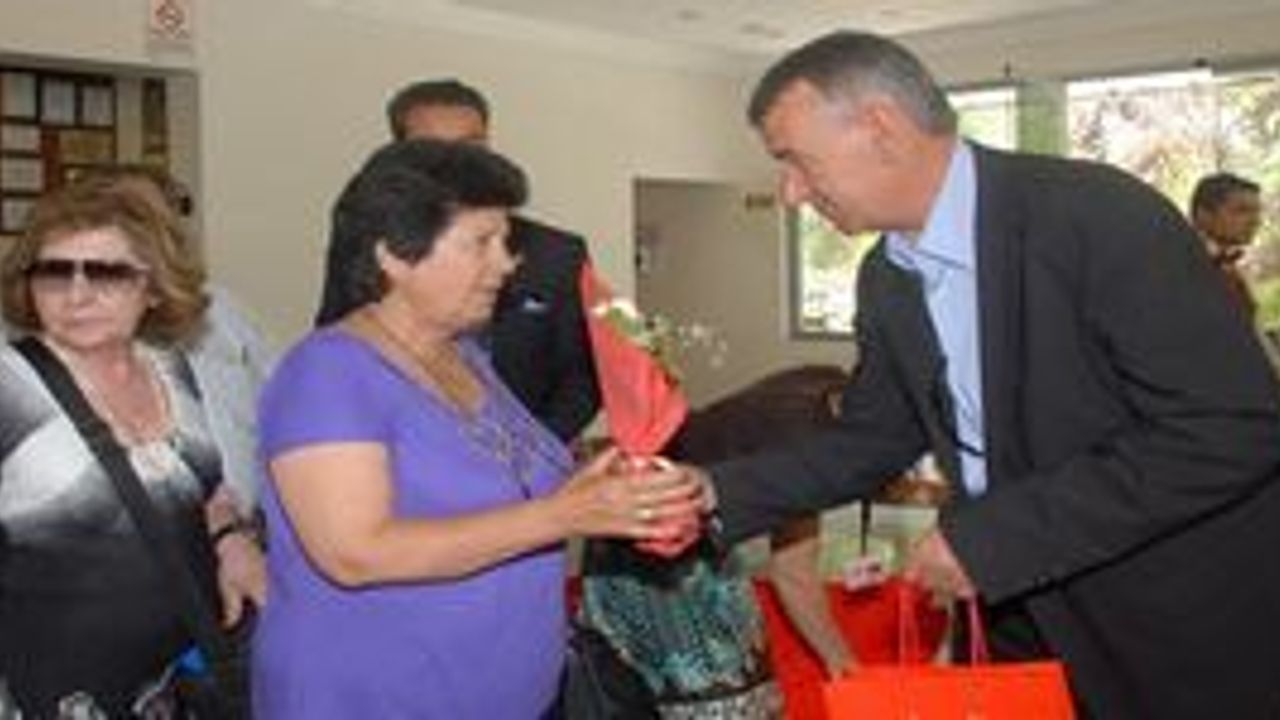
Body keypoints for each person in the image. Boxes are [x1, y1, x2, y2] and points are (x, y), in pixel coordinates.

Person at [687, 30, 1280, 720]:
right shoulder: (887, 275)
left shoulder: (1097, 215)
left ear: (880, 128)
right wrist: (708, 493)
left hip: (1165, 621)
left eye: (795, 160)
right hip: (1014, 616)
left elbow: (1230, 426)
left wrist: (994, 540)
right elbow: (875, 438)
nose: (789, 193)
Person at [253, 139, 702, 719]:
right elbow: (355, 552)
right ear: (395, 255)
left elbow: (507, 490)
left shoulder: (466, 357)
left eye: (506, 241)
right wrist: (564, 515)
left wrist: (606, 488)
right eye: (481, 242)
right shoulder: (327, 372)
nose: (507, 263)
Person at [0, 177, 266, 717]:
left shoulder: (171, 369)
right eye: (54, 272)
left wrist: (232, 539)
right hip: (49, 693)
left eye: (107, 273)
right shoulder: (10, 387)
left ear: (154, 286)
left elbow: (204, 487)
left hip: (175, 681)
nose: (76, 295)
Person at [315, 78, 600, 442]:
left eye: (471, 148)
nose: (505, 265)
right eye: (434, 150)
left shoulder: (556, 254)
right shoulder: (331, 360)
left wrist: (533, 452)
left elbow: (582, 377)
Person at [80, 163, 276, 511]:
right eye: (141, 217)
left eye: (171, 214)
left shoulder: (221, 309)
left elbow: (280, 399)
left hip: (246, 529)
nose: (167, 229)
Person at [1190, 172, 1264, 318]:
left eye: (1257, 212)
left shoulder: (1225, 263)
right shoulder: (1187, 265)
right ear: (1204, 215)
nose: (1255, 221)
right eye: (1242, 210)